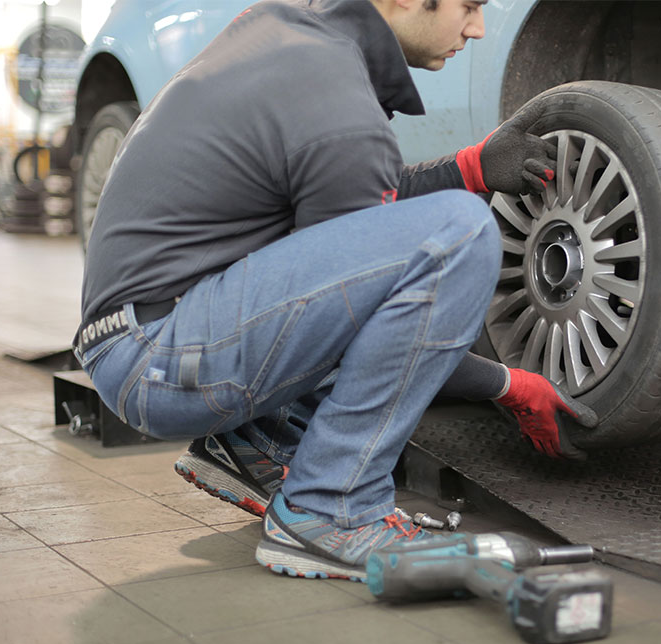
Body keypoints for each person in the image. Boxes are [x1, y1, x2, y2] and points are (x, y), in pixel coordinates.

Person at [74, 0, 596, 582]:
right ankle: (332, 509)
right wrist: (507, 384)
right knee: (459, 234)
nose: (476, 28)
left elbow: (340, 213)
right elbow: (363, 302)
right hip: (162, 359)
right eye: (468, 6)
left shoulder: (300, 43)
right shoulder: (336, 97)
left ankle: (259, 445)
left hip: (138, 338)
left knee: (420, 230)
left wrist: (467, 169)